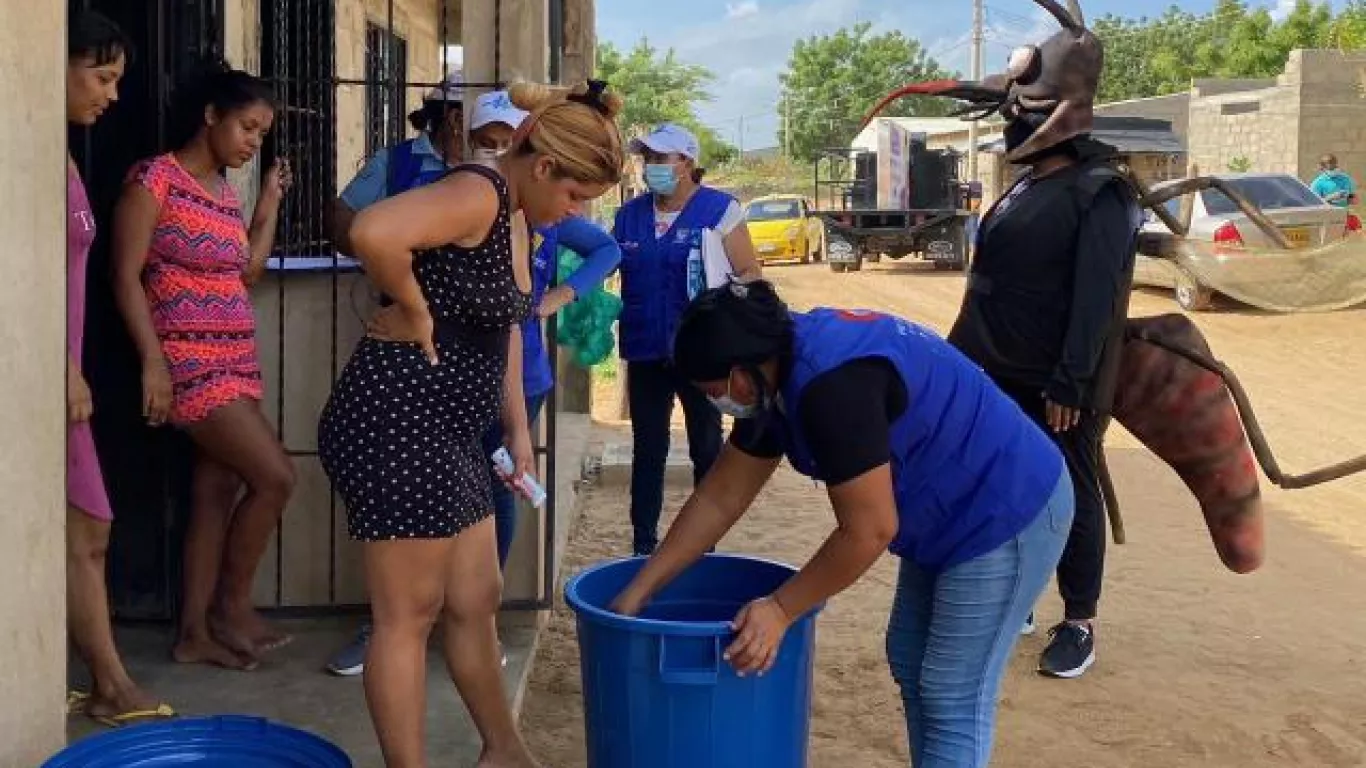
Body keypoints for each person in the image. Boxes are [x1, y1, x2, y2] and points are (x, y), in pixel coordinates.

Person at [611, 280, 1074, 768]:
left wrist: (780, 609)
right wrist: (637, 592)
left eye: (712, 391)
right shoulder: (773, 376)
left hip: (1006, 509)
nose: (715, 403)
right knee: (910, 657)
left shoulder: (833, 387)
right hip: (947, 513)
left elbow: (869, 530)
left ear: (741, 372)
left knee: (951, 690)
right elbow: (719, 498)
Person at [317, 80, 624, 768]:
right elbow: (372, 231)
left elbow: (507, 330)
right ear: (544, 166)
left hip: (452, 432)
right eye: (575, 195)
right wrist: (415, 309)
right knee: (409, 615)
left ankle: (504, 750)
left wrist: (517, 432)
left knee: (476, 598)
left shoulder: (516, 214)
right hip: (398, 423)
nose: (575, 213)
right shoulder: (478, 191)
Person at [112, 62, 295, 671]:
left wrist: (267, 205)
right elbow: (125, 276)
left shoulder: (222, 193)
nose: (254, 141)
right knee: (276, 478)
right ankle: (230, 608)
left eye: (262, 133)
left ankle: (194, 634)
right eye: (247, 127)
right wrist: (153, 363)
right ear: (211, 116)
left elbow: (246, 272)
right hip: (189, 363)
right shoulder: (154, 179)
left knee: (216, 492)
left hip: (235, 356)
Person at [64, 10, 175, 726]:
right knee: (88, 529)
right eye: (100, 76)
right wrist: (59, 367)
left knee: (86, 529)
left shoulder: (64, 156)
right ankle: (109, 683)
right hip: (51, 380)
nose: (111, 95)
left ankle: (103, 679)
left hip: (67, 375)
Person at [613, 122, 761, 556]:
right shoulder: (629, 215)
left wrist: (734, 316)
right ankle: (644, 545)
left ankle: (703, 547)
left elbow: (750, 273)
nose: (651, 166)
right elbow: (608, 263)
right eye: (647, 158)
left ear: (686, 163)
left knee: (706, 447)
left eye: (661, 158)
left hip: (702, 355)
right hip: (645, 350)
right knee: (648, 449)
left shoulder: (720, 211)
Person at [332, 70, 467, 253]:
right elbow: (341, 217)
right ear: (457, 119)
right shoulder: (393, 161)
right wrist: (386, 254)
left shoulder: (492, 164)